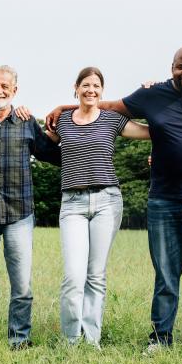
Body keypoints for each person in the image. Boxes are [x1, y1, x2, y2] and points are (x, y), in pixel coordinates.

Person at [47, 47, 182, 352]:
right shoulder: (151, 94)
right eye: (181, 67)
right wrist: (64, 107)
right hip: (163, 200)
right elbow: (108, 105)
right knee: (166, 276)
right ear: (172, 67)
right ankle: (160, 339)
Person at [46, 66, 150, 348]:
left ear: (102, 91)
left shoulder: (112, 119)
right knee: (73, 276)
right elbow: (42, 143)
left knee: (95, 275)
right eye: (86, 85)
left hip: (107, 201)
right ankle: (70, 340)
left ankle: (91, 340)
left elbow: (150, 132)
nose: (91, 90)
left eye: (96, 86)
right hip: (72, 204)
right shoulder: (63, 121)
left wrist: (153, 97)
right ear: (76, 88)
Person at [0, 65, 60, 350]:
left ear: (15, 90)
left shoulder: (26, 122)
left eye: (5, 86)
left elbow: (51, 154)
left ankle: (20, 339)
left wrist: (68, 129)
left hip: (19, 214)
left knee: (22, 287)